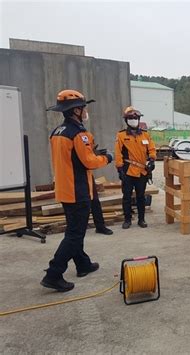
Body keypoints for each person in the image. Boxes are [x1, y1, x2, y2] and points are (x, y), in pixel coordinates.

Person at [41, 89, 113, 292]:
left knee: (75, 230)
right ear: (75, 111)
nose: (85, 111)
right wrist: (106, 158)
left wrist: (90, 151)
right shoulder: (79, 134)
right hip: (77, 190)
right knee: (74, 234)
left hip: (65, 188)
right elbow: (89, 162)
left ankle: (82, 264)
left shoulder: (58, 132)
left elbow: (71, 158)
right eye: (83, 107)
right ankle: (53, 273)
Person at [115, 106, 156, 229]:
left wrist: (152, 160)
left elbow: (152, 149)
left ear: (139, 119)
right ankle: (127, 220)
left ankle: (141, 219)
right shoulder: (121, 135)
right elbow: (118, 153)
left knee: (141, 197)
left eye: (135, 118)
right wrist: (119, 168)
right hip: (128, 170)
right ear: (126, 120)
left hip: (142, 171)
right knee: (127, 197)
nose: (133, 120)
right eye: (131, 118)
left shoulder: (145, 135)